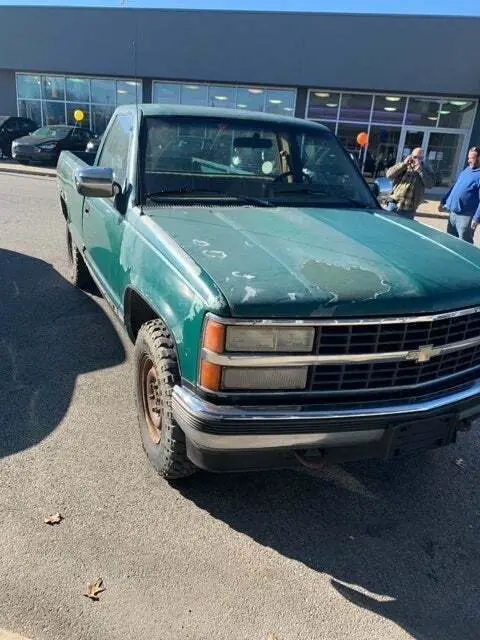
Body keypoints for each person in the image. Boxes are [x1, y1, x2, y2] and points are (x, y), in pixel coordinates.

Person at [439, 147, 480, 244]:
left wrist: (476, 218)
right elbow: (455, 187)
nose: (468, 160)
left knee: (464, 244)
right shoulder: (466, 170)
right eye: (468, 158)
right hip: (453, 213)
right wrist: (443, 201)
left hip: (466, 216)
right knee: (450, 241)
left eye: (472, 158)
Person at [385, 147, 434, 218]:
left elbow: (430, 185)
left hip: (409, 209)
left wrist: (420, 171)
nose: (417, 160)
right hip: (394, 204)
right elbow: (389, 175)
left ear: (423, 158)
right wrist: (404, 164)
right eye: (415, 157)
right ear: (411, 156)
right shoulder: (404, 165)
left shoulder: (426, 169)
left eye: (420, 158)